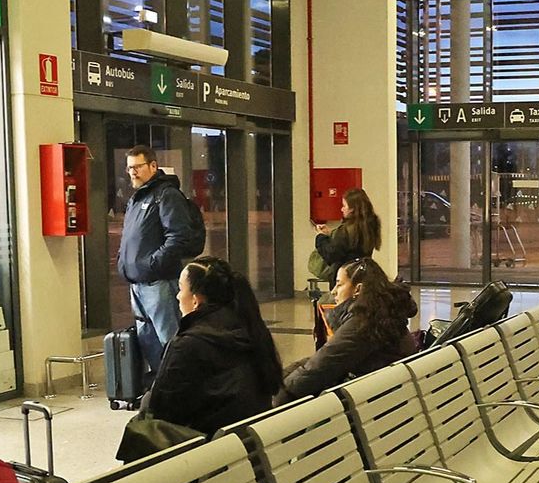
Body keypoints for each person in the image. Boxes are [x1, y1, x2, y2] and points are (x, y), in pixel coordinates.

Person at [147, 257, 282, 436]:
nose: (178, 296)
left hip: (208, 450)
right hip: (247, 442)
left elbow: (160, 409)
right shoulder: (249, 329)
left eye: (181, 289)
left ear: (196, 300)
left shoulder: (188, 344)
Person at [281, 258, 418, 403]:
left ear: (357, 289)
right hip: (390, 394)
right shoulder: (382, 313)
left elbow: (320, 367)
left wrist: (276, 401)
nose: (333, 292)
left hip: (376, 404)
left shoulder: (364, 323)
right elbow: (322, 360)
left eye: (339, 285)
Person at [119, 144, 205, 372]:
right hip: (137, 282)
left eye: (137, 167)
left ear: (153, 166)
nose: (132, 173)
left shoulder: (167, 195)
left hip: (158, 281)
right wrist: (124, 263)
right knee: (148, 340)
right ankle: (160, 386)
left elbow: (178, 237)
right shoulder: (136, 199)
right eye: (129, 168)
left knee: (170, 339)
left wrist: (153, 264)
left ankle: (179, 384)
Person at [315, 188, 382, 285]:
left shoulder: (346, 230)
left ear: (352, 209)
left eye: (344, 206)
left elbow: (331, 255)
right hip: (361, 274)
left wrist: (321, 237)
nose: (342, 209)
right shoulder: (370, 225)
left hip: (344, 276)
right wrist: (332, 234)